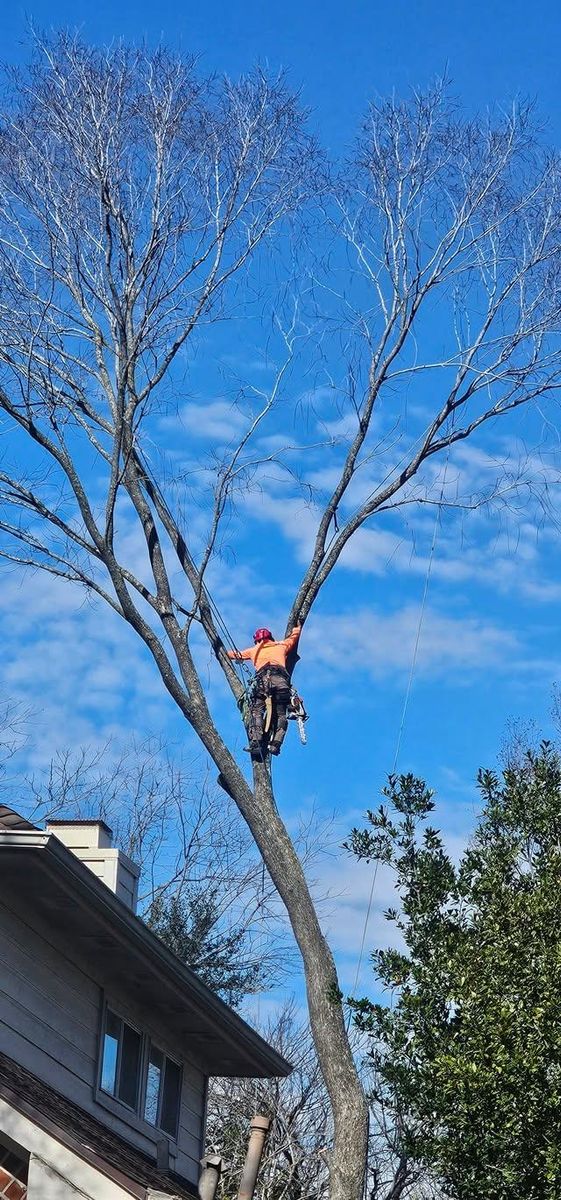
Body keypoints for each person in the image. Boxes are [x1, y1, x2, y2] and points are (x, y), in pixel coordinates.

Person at [228, 625, 302, 757]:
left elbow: (234, 655)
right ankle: (276, 744)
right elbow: (293, 638)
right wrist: (297, 628)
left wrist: (219, 650)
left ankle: (256, 742)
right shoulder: (281, 645)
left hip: (263, 683)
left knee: (256, 711)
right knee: (281, 714)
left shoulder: (254, 650)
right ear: (270, 638)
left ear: (257, 641)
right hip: (281, 682)